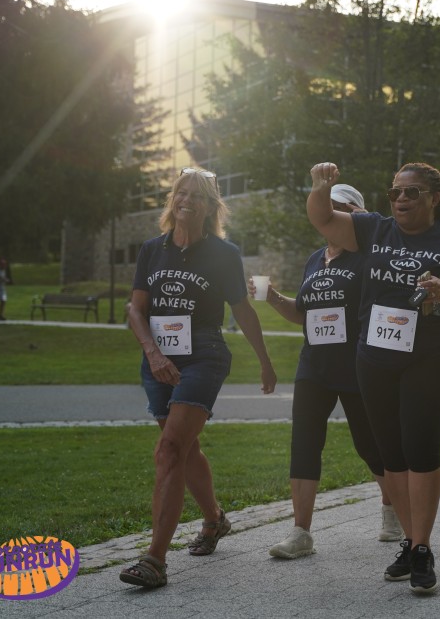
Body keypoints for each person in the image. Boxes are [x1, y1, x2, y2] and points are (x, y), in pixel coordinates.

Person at [307, 161, 440, 595]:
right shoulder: (373, 229)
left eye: (411, 192)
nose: (401, 199)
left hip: (433, 357)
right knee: (390, 453)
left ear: (434, 198)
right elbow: (323, 219)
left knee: (420, 448)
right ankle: (411, 539)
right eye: (395, 192)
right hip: (376, 357)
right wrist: (320, 186)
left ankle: (422, 549)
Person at [120, 167, 278, 589]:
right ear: (173, 199)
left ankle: (154, 560)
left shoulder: (223, 254)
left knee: (170, 448)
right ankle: (214, 520)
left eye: (197, 195)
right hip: (158, 360)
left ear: (210, 207)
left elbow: (242, 310)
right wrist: (153, 353)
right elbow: (136, 309)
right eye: (181, 192)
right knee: (184, 450)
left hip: (203, 355)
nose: (187, 200)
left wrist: (264, 360)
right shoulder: (152, 249)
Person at [258, 184, 403, 560]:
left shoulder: (368, 257)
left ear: (356, 214)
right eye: (326, 206)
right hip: (314, 366)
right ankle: (301, 532)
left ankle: (393, 509)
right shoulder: (314, 260)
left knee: (369, 444)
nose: (329, 213)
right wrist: (273, 297)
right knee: (304, 442)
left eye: (339, 207)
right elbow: (302, 312)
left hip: (358, 365)